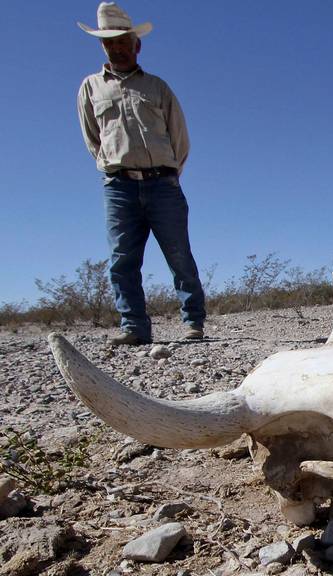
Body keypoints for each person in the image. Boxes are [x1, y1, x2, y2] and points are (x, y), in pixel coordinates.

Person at [77, 2, 206, 345]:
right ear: (103, 46)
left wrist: (169, 174)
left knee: (179, 254)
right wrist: (113, 165)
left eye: (123, 41)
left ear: (137, 44)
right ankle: (134, 327)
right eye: (110, 42)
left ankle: (194, 322)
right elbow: (93, 138)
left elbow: (180, 136)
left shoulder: (157, 87)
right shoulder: (90, 88)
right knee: (122, 259)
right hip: (118, 187)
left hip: (163, 183)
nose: (117, 47)